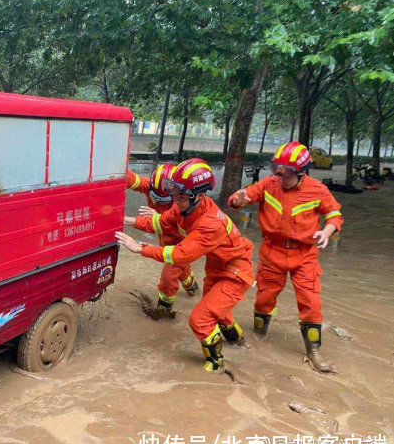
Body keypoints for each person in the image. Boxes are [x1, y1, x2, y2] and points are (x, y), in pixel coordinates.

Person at [117, 159, 254, 372]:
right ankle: (241, 344)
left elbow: (179, 255)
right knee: (219, 313)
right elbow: (159, 223)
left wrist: (140, 248)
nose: (174, 199)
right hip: (217, 268)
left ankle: (216, 365)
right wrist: (122, 219)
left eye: (180, 196)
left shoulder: (210, 224)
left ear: (199, 195)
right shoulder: (184, 207)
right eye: (174, 193)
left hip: (236, 272)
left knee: (200, 319)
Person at [228, 141, 343, 372]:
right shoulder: (268, 184)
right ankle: (259, 337)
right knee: (264, 299)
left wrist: (327, 231)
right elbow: (241, 198)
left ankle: (313, 351)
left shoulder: (317, 189)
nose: (279, 174)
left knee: (310, 301)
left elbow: (334, 214)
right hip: (272, 251)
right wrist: (237, 200)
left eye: (286, 170)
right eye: (276, 168)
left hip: (304, 254)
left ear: (300, 170)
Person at [126, 164, 199, 319]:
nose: (158, 202)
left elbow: (176, 227)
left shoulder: (183, 202)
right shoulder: (153, 185)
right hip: (165, 240)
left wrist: (159, 216)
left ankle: (163, 313)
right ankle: (192, 288)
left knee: (168, 277)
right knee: (182, 269)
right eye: (155, 198)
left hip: (181, 244)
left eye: (163, 199)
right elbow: (133, 180)